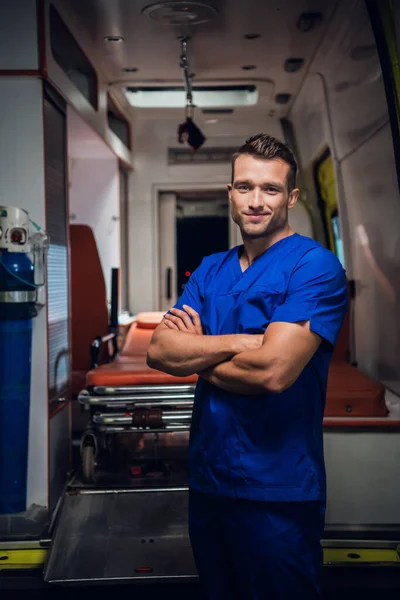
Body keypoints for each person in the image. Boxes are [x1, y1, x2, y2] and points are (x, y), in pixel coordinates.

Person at [147, 134, 348, 599]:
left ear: (292, 197)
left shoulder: (314, 268)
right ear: (231, 192)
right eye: (244, 187)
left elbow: (272, 373)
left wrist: (198, 353)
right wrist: (240, 342)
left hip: (277, 487)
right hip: (209, 480)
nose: (256, 201)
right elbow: (160, 351)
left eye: (271, 189)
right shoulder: (211, 269)